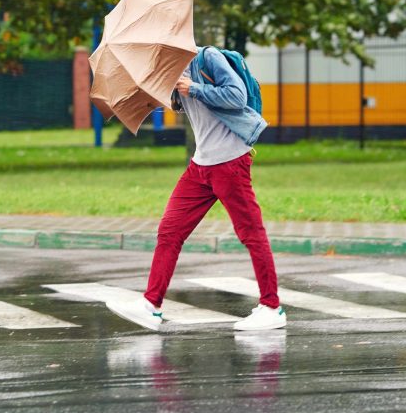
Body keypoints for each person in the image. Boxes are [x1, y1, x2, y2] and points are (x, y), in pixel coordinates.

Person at [106, 46, 285, 331]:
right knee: (169, 231)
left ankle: (271, 307)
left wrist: (194, 88)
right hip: (200, 167)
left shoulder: (207, 58)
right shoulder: (170, 71)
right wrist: (163, 94)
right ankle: (150, 305)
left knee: (251, 233)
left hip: (230, 162)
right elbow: (184, 106)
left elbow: (236, 96)